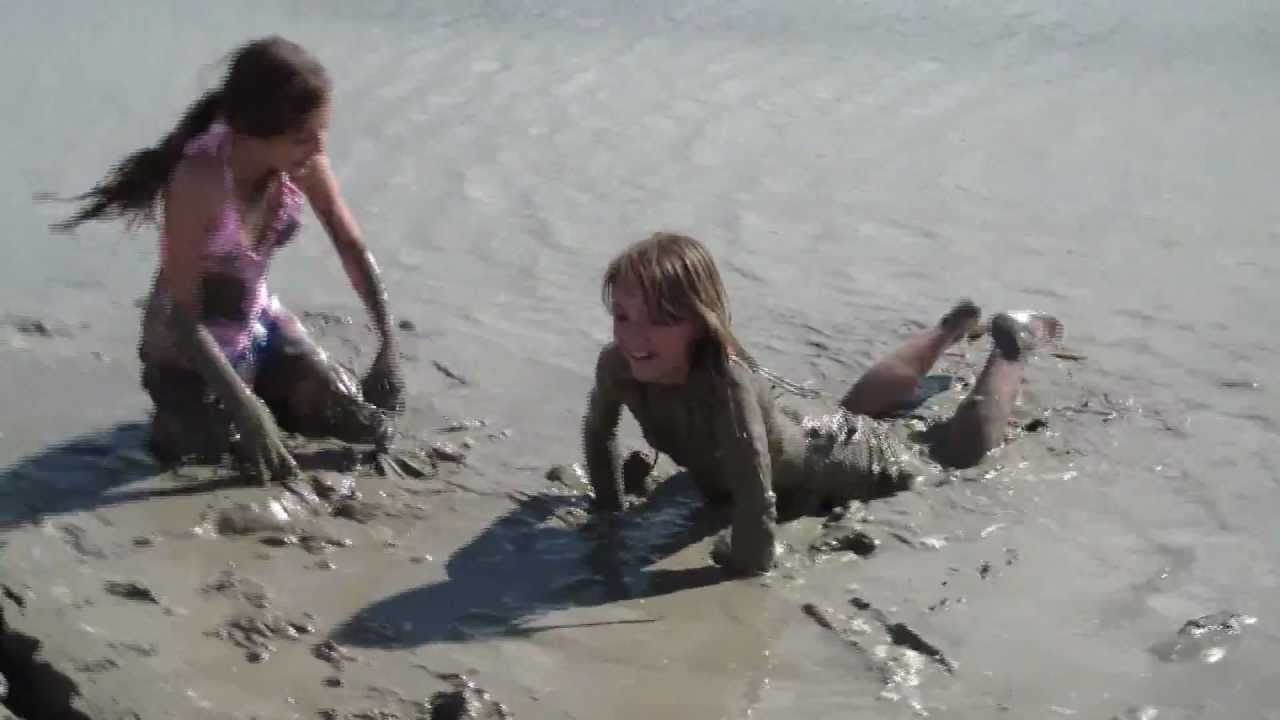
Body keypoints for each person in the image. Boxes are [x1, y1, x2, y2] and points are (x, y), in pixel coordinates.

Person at [581, 232, 1063, 575]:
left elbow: (755, 496)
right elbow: (598, 434)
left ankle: (1011, 345)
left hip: (848, 458)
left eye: (659, 321)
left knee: (956, 452)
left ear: (701, 322)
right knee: (851, 413)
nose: (633, 336)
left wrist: (745, 561)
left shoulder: (727, 388)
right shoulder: (617, 365)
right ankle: (950, 329)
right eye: (622, 315)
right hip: (810, 428)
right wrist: (609, 514)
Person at [52, 36, 405, 483]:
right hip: (187, 349)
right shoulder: (199, 180)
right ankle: (190, 417)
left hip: (260, 323)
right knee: (206, 456)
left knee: (357, 421)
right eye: (302, 137)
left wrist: (387, 347)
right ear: (254, 133)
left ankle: (267, 392)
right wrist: (246, 409)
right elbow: (183, 316)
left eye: (323, 131)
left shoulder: (304, 161)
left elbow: (351, 247)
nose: (318, 148)